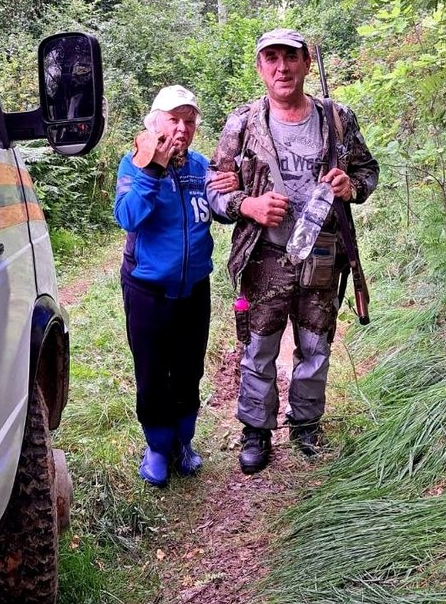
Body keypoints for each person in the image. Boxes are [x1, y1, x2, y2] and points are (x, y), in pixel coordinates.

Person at [206, 29, 379, 475]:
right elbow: (213, 189)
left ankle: (305, 425)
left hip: (323, 253)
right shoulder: (241, 124)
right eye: (272, 59)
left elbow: (367, 170)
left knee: (315, 344)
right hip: (264, 255)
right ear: (260, 68)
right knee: (258, 345)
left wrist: (351, 185)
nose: (282, 67)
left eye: (291, 57)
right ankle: (256, 431)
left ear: (306, 63)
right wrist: (248, 204)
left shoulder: (337, 119)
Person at [114, 85, 235, 487]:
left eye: (189, 121)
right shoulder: (134, 164)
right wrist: (152, 170)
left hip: (194, 290)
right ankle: (157, 446)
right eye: (173, 119)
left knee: (188, 371)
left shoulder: (201, 167)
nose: (181, 129)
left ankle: (183, 442)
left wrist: (235, 190)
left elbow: (222, 210)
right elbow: (127, 217)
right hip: (147, 290)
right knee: (151, 374)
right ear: (155, 122)